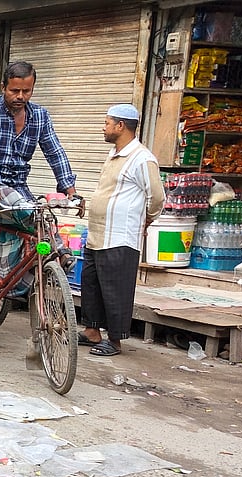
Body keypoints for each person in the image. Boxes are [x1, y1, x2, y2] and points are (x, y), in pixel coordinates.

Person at [78, 105, 164, 357]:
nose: (103, 127)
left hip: (120, 236)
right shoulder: (113, 154)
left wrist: (145, 221)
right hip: (97, 234)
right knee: (92, 284)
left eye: (107, 123)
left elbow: (157, 197)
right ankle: (92, 331)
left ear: (120, 126)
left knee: (116, 289)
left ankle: (114, 340)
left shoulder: (142, 158)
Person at [0, 61, 76, 211]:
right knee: (27, 213)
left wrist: (71, 192)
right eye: (14, 91)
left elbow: (55, 153)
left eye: (26, 91)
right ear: (3, 88)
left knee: (46, 224)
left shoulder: (40, 115)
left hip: (19, 186)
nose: (20, 96)